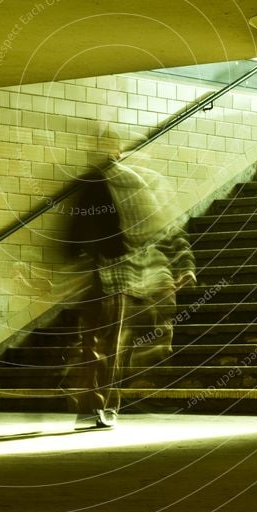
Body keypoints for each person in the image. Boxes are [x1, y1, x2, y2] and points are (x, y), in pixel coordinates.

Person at [65, 158, 195, 428]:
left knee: (103, 346)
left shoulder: (127, 183)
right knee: (106, 346)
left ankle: (98, 404)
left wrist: (184, 265)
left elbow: (165, 229)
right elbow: (167, 228)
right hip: (108, 277)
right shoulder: (105, 186)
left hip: (113, 277)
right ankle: (99, 404)